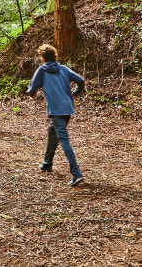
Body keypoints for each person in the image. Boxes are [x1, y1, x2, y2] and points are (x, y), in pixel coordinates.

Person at [26, 44, 85, 186]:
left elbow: (31, 89)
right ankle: (47, 163)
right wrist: (75, 93)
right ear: (55, 56)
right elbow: (81, 81)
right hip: (67, 109)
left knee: (63, 139)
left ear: (43, 57)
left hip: (56, 110)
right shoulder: (63, 69)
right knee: (52, 131)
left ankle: (76, 173)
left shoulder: (42, 70)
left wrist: (33, 92)